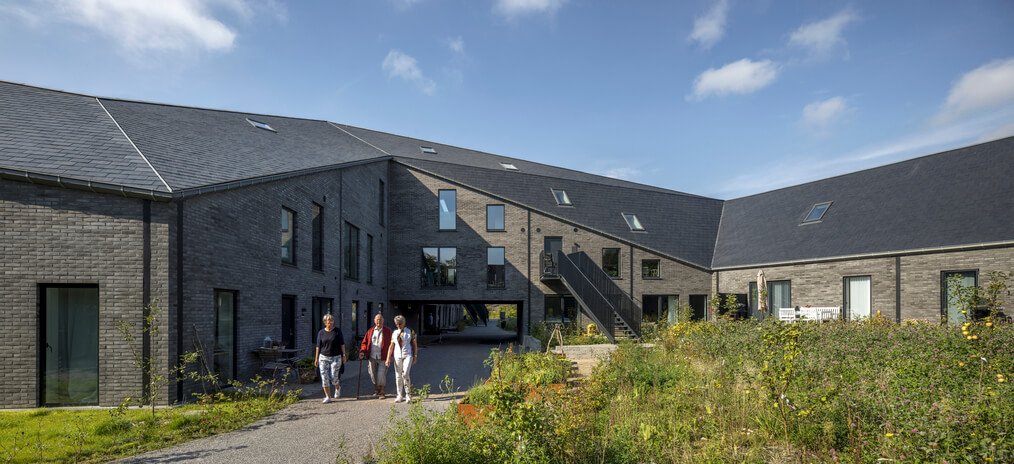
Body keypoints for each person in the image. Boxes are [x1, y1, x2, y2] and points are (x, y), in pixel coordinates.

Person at [314, 314, 346, 404]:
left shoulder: (337, 331)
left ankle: (337, 388)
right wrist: (316, 358)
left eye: (332, 320)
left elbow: (342, 344)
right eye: (328, 320)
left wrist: (344, 355)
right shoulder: (321, 332)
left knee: (334, 376)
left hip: (336, 357)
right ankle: (328, 396)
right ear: (325, 322)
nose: (330, 322)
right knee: (324, 377)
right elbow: (318, 346)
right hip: (323, 357)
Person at [385, 315, 417, 403]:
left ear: (404, 323)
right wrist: (388, 358)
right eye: (396, 324)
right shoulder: (394, 333)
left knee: (405, 374)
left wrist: (415, 356)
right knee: (398, 375)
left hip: (408, 355)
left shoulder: (411, 331)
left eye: (400, 324)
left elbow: (414, 344)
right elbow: (391, 346)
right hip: (397, 356)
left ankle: (408, 394)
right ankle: (399, 395)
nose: (398, 325)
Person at [359, 313, 392, 399]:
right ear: (374, 321)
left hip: (383, 356)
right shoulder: (370, 331)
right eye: (377, 320)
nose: (378, 321)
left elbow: (392, 344)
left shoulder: (388, 331)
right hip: (372, 356)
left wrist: (391, 355)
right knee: (372, 373)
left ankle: (382, 391)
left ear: (383, 321)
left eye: (380, 319)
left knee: (381, 373)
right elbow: (365, 343)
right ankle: (376, 388)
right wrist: (362, 351)